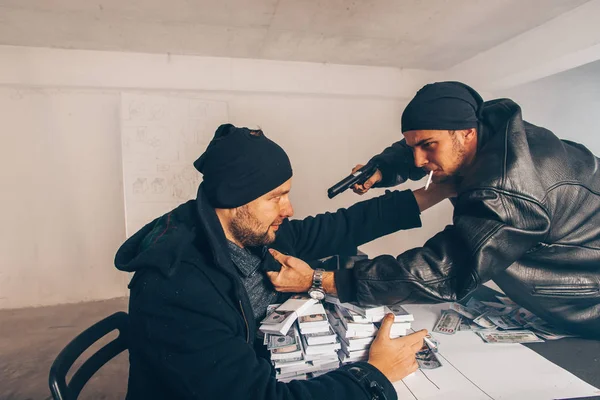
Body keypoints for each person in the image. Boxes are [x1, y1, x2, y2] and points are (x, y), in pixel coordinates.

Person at [115, 123, 455, 400]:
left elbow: (342, 225)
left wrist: (439, 191)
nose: (288, 209)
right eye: (276, 197)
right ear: (235, 200)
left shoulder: (250, 232)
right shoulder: (179, 290)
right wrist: (373, 376)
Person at [267, 81, 600, 338]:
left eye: (427, 147)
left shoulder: (509, 190)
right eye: (414, 146)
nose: (417, 160)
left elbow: (442, 271)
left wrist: (322, 280)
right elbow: (422, 141)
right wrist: (384, 168)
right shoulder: (487, 127)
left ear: (467, 135)